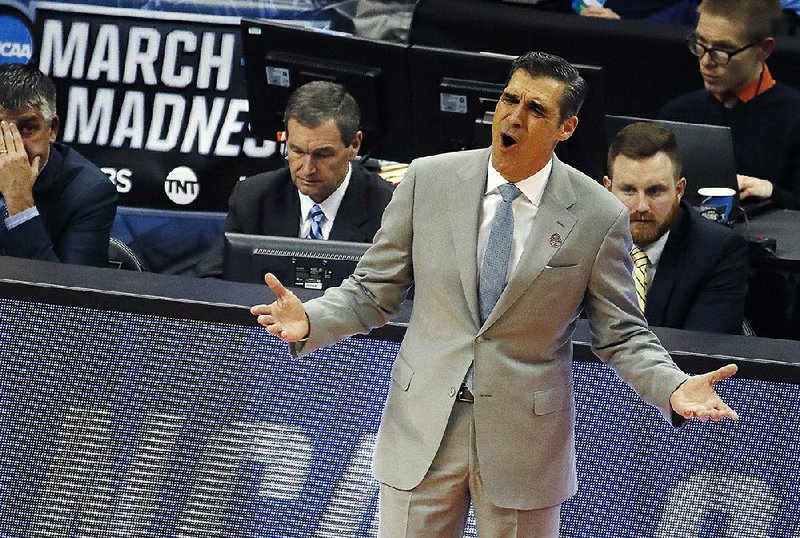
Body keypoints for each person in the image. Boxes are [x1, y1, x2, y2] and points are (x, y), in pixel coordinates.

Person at [251, 52, 739, 536]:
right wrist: (312, 319)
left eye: (537, 110)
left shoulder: (597, 215)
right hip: (423, 428)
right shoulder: (428, 180)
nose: (514, 117)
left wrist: (673, 386)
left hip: (524, 442)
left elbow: (623, 335)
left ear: (565, 129)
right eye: (510, 99)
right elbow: (372, 293)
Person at [196, 81, 394, 278]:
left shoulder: (389, 209)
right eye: (297, 151)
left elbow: (407, 295)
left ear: (354, 145)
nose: (307, 169)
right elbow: (210, 280)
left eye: (322, 154)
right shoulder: (253, 198)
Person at [604, 121, 749, 334]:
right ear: (607, 188)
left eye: (655, 191)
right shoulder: (581, 238)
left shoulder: (718, 251)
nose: (641, 206)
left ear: (679, 190)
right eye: (628, 190)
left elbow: (701, 354)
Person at [659, 0, 800, 210]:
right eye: (700, 44)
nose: (706, 61)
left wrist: (773, 193)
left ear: (764, 49)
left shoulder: (794, 117)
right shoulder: (677, 114)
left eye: (723, 49)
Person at [0, 63, 117, 267]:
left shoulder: (89, 193)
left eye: (27, 128)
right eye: (1, 131)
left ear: (52, 129)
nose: (14, 148)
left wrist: (19, 201)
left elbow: (69, 295)